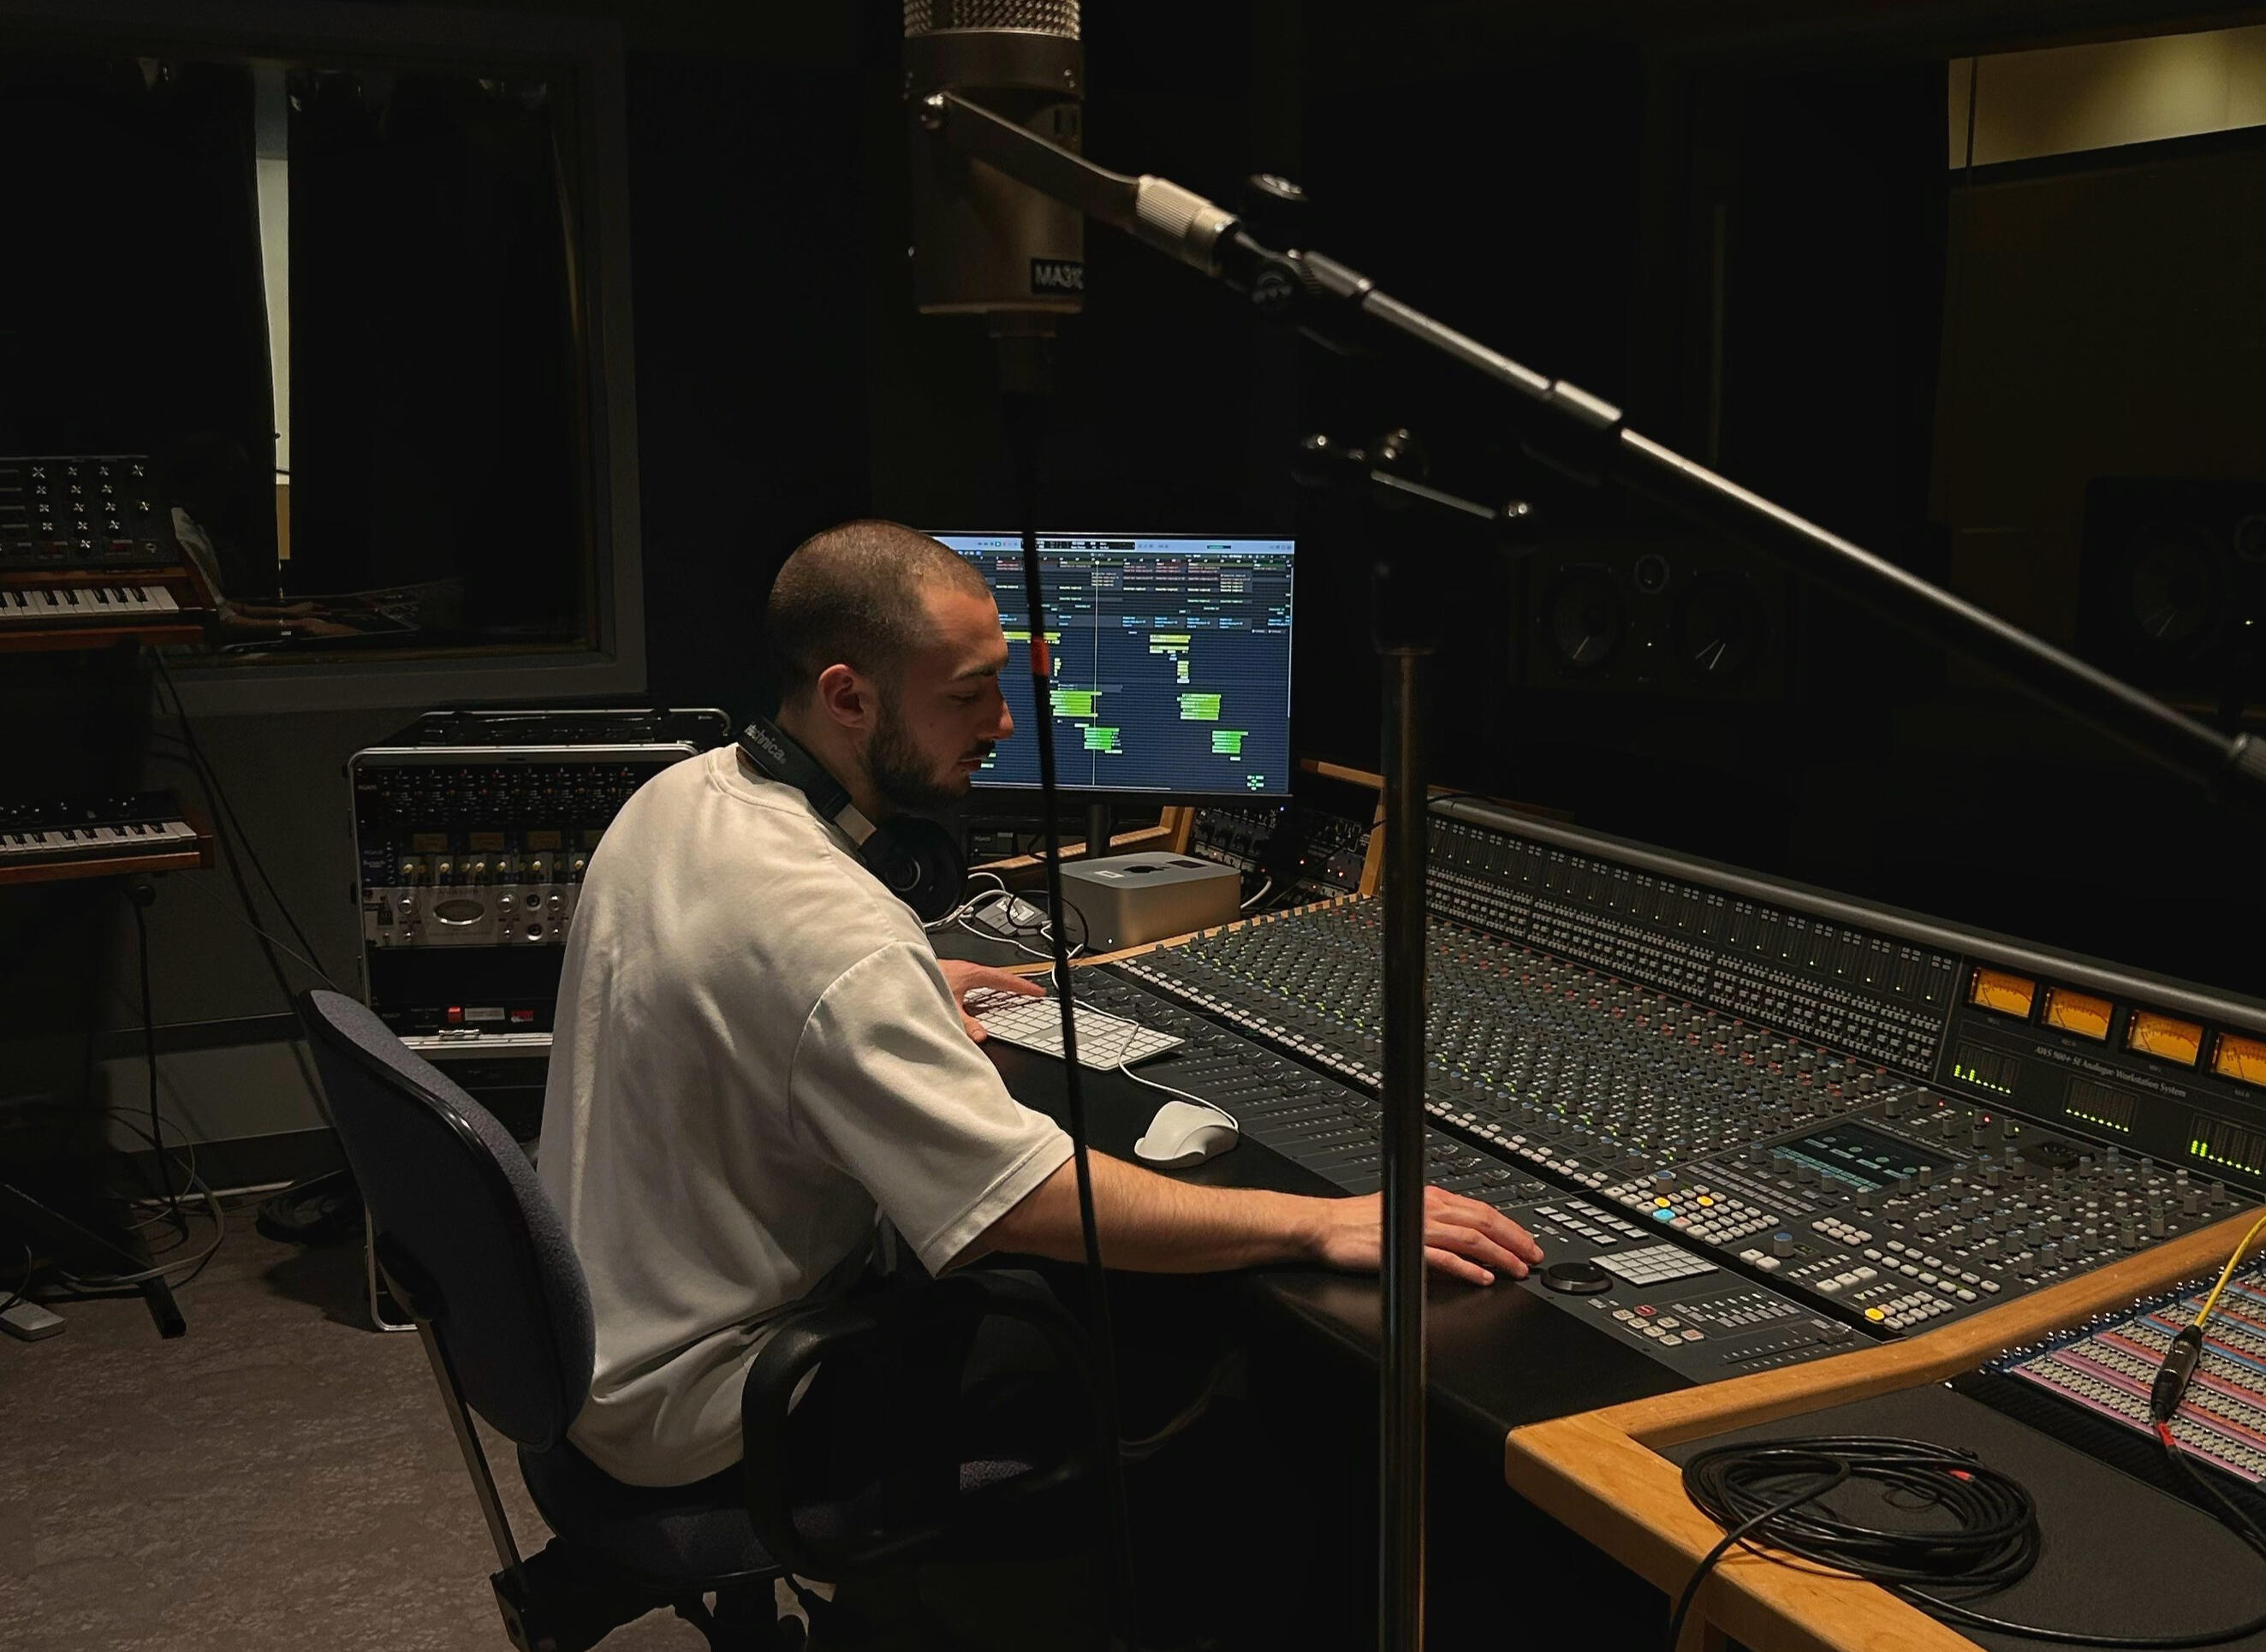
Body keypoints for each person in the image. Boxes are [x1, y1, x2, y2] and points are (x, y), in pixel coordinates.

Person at [535, 520, 1539, 1488]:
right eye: (968, 692)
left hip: (600, 1347)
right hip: (721, 1403)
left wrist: (900, 983)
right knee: (1199, 1374)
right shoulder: (835, 939)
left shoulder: (685, 795)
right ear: (847, 697)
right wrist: (1316, 1222)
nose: (1004, 722)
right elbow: (1019, 1203)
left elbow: (739, 976)